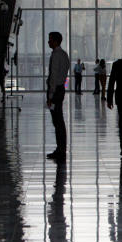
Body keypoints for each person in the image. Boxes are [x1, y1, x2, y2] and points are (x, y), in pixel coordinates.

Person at [46, 31, 70, 161]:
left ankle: (60, 149)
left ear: (55, 41)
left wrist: (50, 95)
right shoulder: (64, 55)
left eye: (50, 40)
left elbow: (53, 76)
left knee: (57, 121)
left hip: (55, 91)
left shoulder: (56, 55)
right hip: (61, 89)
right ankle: (61, 148)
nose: (48, 42)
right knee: (59, 121)